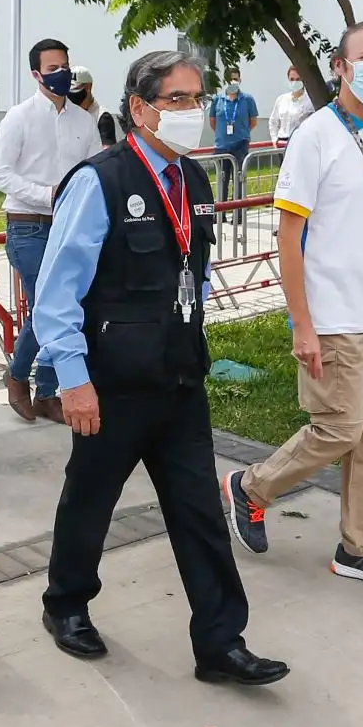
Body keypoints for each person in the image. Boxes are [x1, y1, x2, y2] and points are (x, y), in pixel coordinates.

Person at [34, 50, 288, 687]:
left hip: (178, 380)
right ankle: (65, 604)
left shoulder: (195, 182)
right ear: (140, 108)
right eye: (177, 100)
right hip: (111, 385)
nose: (192, 112)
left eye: (196, 98)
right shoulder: (101, 181)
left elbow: (191, 276)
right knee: (89, 502)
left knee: (199, 512)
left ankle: (221, 643)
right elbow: (56, 294)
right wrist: (73, 378)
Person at [222, 21, 363, 592]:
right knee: (340, 428)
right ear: (339, 66)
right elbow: (289, 238)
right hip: (334, 318)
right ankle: (250, 488)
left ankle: (358, 548)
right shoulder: (315, 135)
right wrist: (302, 324)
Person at [0, 38, 103, 425]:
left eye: (65, 65)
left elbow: (93, 172)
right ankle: (18, 377)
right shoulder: (19, 117)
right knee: (47, 311)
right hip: (29, 227)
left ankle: (48, 392)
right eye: (52, 68)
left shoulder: (84, 121)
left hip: (70, 227)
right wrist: (46, 195)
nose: (61, 73)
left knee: (69, 310)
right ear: (36, 74)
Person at [207, 65, 258, 202]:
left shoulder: (247, 99)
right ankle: (221, 214)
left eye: (235, 79)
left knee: (239, 180)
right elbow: (213, 122)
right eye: (230, 79)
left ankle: (239, 213)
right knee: (222, 180)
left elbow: (252, 122)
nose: (233, 82)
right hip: (222, 146)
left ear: (240, 80)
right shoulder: (217, 100)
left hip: (240, 144)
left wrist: (241, 132)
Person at [268, 65, 316, 148]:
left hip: (300, 142)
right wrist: (274, 139)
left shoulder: (310, 101)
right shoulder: (281, 99)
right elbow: (273, 122)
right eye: (292, 79)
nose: (295, 82)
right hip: (281, 142)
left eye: (298, 79)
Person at [69, 66, 117, 146]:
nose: (70, 96)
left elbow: (107, 151)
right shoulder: (68, 115)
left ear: (88, 87)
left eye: (74, 89)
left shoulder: (102, 117)